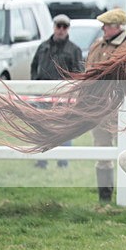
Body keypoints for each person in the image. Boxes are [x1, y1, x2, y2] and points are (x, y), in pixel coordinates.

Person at [86, 8, 126, 203]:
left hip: (123, 109)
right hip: (98, 109)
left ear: (117, 27)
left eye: (107, 25)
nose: (103, 28)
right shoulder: (97, 46)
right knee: (102, 149)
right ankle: (105, 198)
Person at [30, 14, 84, 168]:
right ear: (54, 27)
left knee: (64, 128)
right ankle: (41, 161)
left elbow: (79, 73)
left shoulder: (74, 50)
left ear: (68, 29)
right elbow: (34, 67)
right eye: (58, 26)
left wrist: (71, 92)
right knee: (41, 127)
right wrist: (35, 84)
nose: (61, 30)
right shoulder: (43, 47)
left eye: (64, 27)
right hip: (43, 95)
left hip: (63, 96)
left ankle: (63, 161)